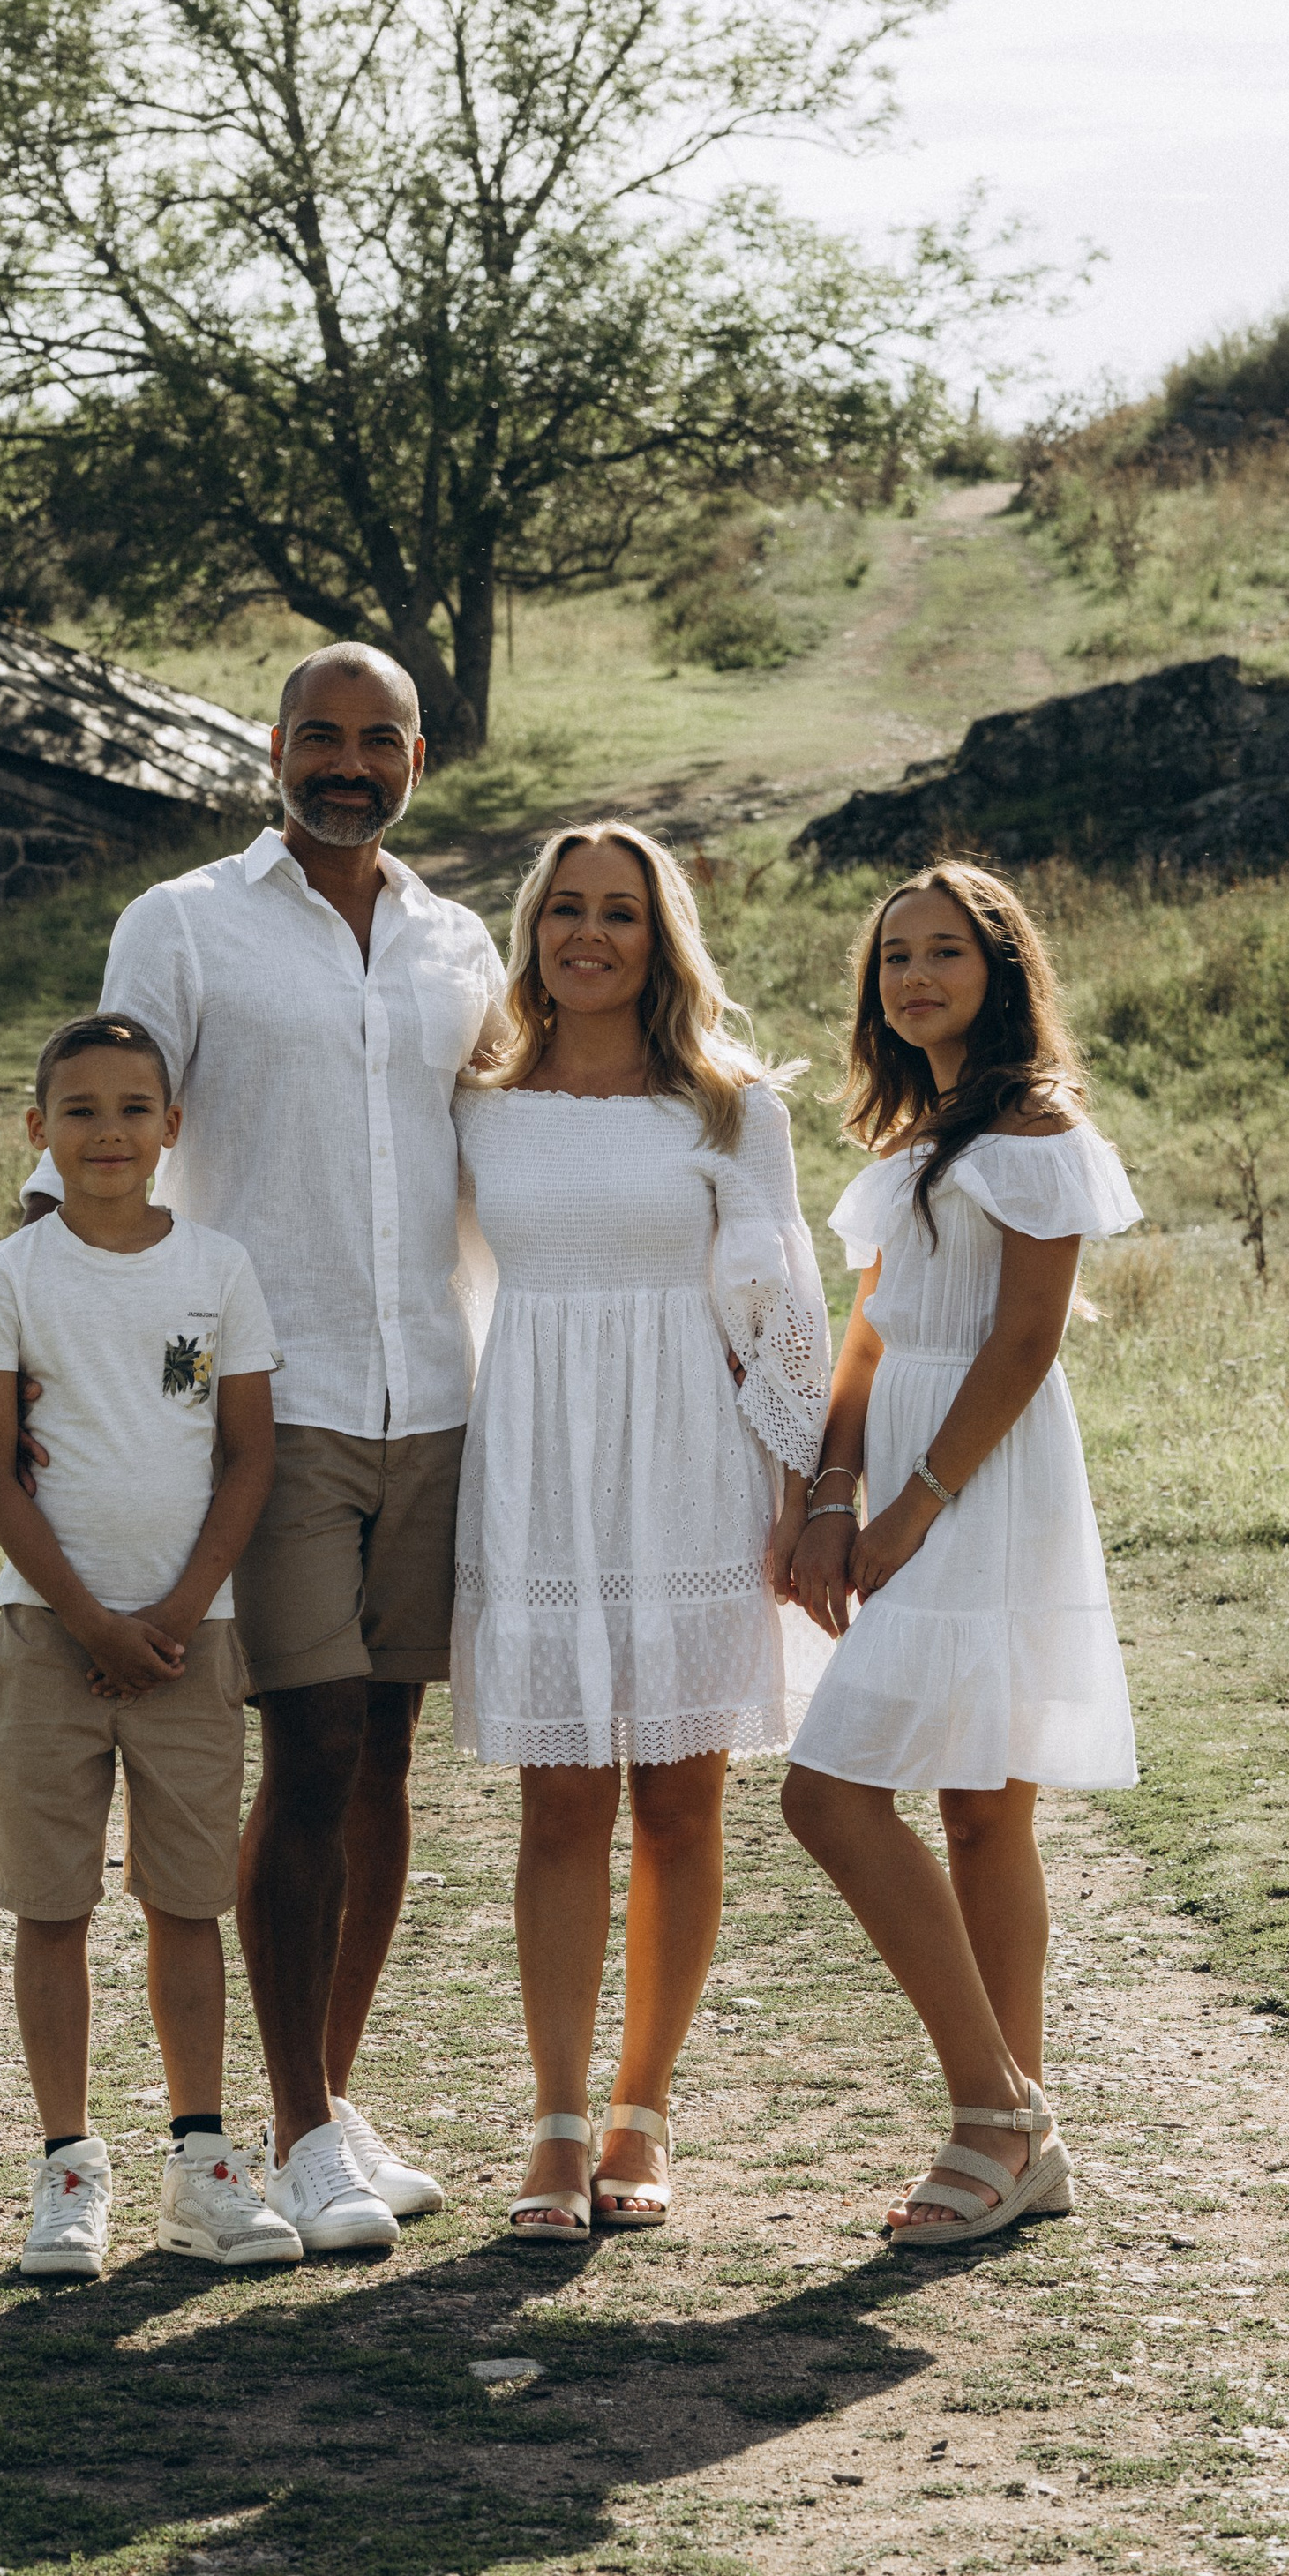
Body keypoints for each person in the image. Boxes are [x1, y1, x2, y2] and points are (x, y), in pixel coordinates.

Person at [29, 646, 507, 2254]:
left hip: (432, 1395)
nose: (348, 765)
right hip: (271, 1403)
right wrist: (53, 1361)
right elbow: (98, 1133)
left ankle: (329, 2106)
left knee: (381, 1757)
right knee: (304, 1749)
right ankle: (292, 2128)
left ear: (418, 759)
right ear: (274, 748)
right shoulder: (183, 923)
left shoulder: (458, 943)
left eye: (379, 741)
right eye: (321, 737)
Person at [450, 822, 831, 2242]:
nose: (588, 935)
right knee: (560, 1800)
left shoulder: (731, 1107)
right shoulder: (478, 1104)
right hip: (540, 1459)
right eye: (565, 911)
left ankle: (642, 2110)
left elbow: (785, 1316)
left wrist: (799, 1502)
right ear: (534, 928)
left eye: (619, 912)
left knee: (680, 1801)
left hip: (692, 1462)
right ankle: (553, 2124)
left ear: (660, 938)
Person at [779, 861, 1142, 2245]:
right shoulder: (911, 1138)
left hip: (987, 1482)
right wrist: (827, 1493)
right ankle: (1014, 2124)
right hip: (909, 1469)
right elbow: (868, 1337)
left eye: (944, 953)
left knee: (853, 1798)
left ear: (1002, 969)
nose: (915, 978)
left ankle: (996, 2112)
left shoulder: (1036, 1127)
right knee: (969, 1803)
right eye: (893, 961)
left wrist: (910, 1508)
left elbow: (1027, 1337)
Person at [0, 1012, 301, 2277]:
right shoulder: (13, 1275)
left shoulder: (217, 1267)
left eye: (133, 1108)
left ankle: (203, 2164)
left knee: (186, 1901)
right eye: (81, 1110)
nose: (110, 1132)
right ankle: (67, 2169)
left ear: (173, 1127)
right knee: (53, 1905)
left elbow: (250, 1454)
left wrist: (173, 1610)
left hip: (188, 1643)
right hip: (49, 1635)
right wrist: (92, 1619)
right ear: (39, 1132)